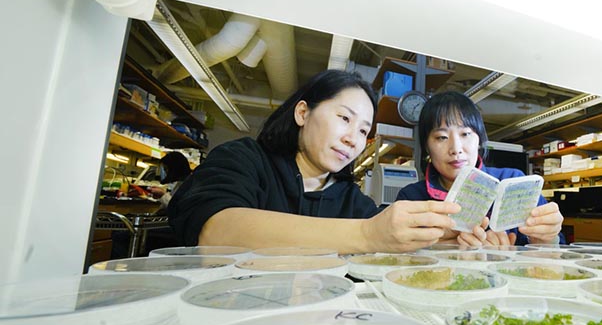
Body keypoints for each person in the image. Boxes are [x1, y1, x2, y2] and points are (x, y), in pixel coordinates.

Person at [168, 69, 459, 253]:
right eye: (344, 118)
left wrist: (438, 240)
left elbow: (387, 245)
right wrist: (367, 234)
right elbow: (216, 231)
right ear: (303, 113)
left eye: (362, 131)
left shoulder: (351, 202)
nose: (353, 139)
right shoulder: (243, 159)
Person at [396, 91, 563, 247]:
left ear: (479, 139)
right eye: (442, 137)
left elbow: (558, 253)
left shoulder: (513, 182)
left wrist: (546, 238)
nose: (456, 148)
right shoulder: (411, 198)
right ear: (426, 146)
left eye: (465, 134)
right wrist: (440, 245)